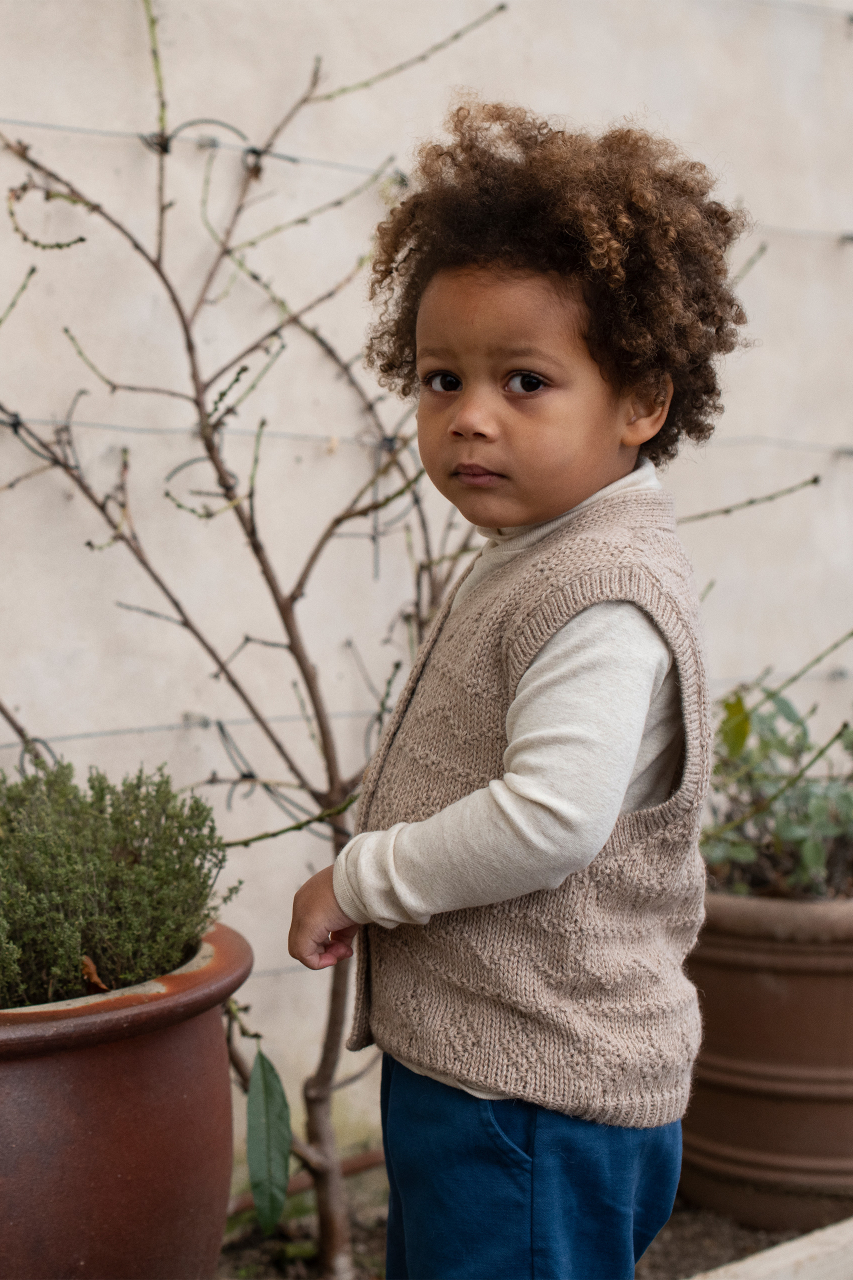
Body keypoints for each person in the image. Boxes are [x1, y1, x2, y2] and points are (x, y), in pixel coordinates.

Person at [288, 100, 748, 1280]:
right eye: (442, 378)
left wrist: (360, 878)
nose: (470, 416)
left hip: (535, 1101)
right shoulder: (547, 550)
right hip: (492, 1079)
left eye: (526, 380)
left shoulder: (600, 591)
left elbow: (550, 817)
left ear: (641, 400)